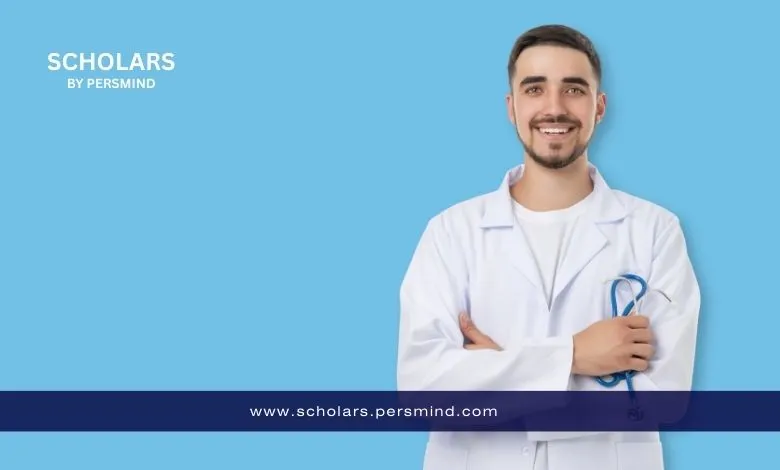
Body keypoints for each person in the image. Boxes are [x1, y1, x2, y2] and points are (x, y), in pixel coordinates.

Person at [396, 24, 701, 470]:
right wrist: (576, 355)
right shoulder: (451, 232)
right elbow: (422, 394)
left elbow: (664, 400)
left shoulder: (654, 231)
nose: (554, 108)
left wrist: (497, 375)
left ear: (599, 106)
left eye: (573, 89)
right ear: (512, 107)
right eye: (534, 88)